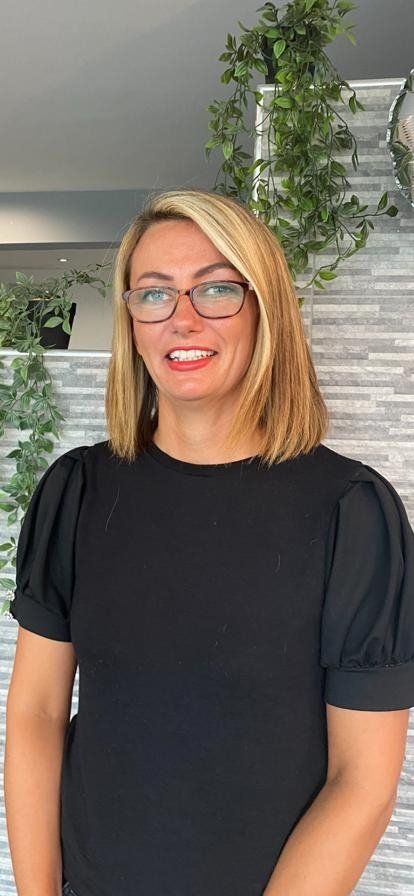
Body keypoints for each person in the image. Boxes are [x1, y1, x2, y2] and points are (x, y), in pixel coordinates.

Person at [4, 187, 414, 896]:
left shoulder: (352, 512)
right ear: (132, 321)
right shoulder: (78, 491)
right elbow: (37, 713)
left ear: (264, 309)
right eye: (153, 294)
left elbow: (361, 781)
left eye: (216, 288)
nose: (181, 318)